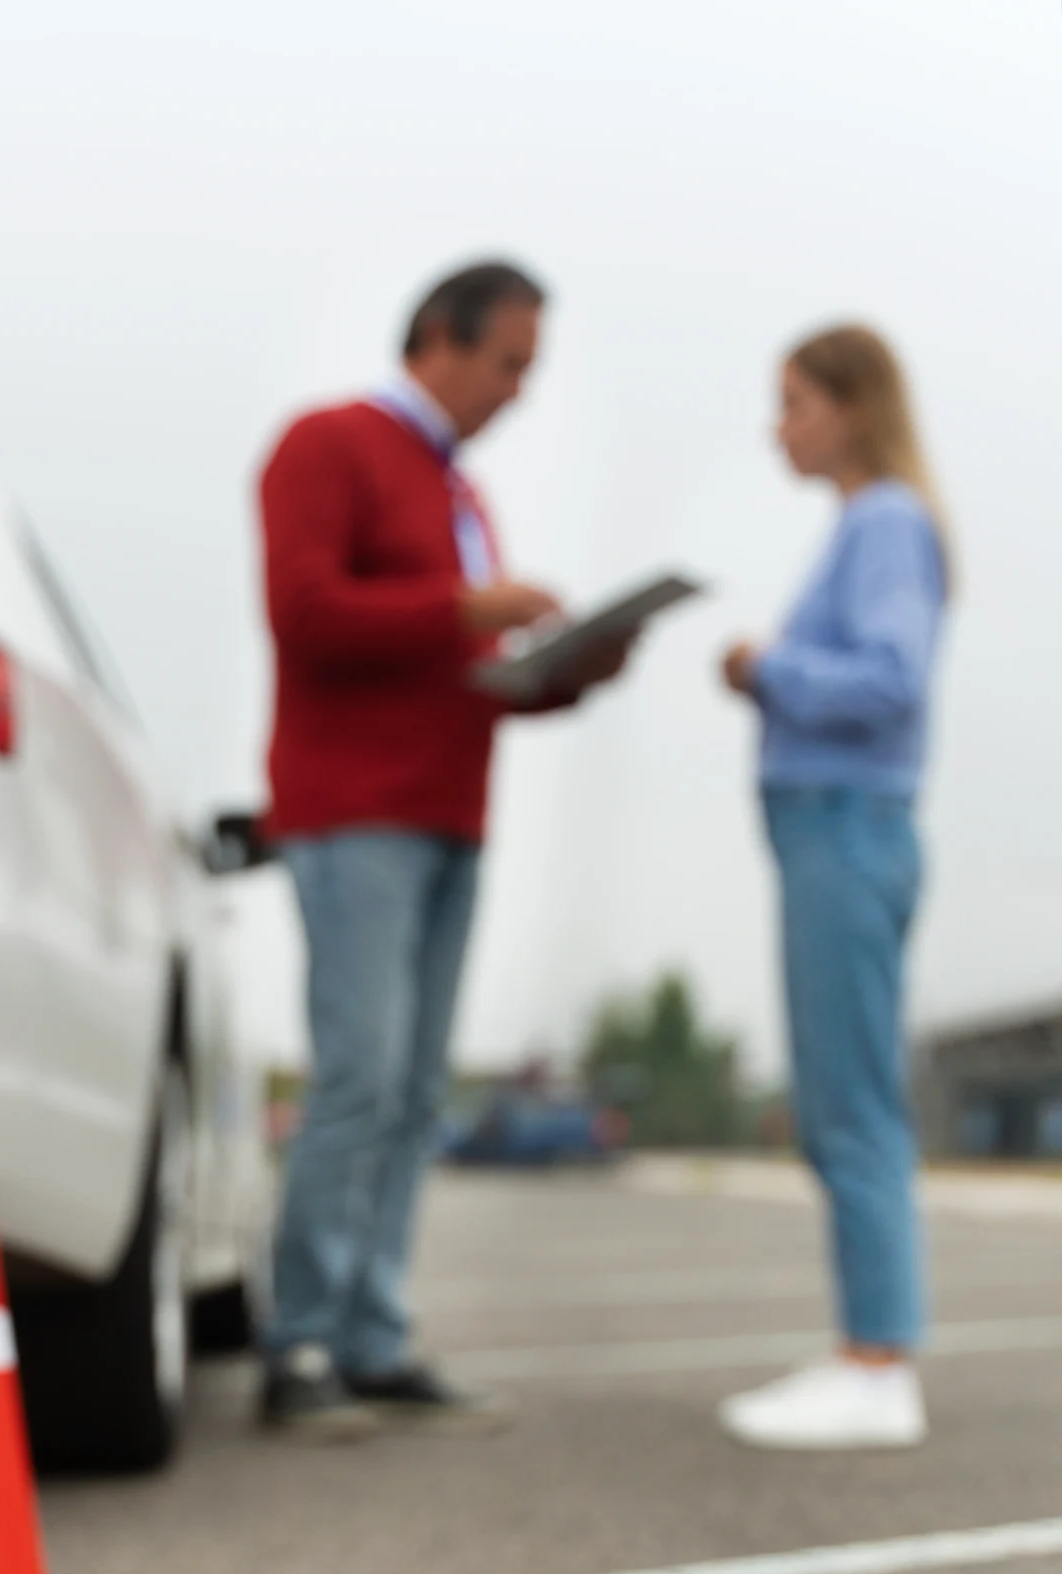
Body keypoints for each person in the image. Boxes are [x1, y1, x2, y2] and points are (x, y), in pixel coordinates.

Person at [256, 259, 630, 1436]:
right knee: (358, 1078)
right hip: (355, 813)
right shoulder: (327, 444)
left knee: (418, 1091)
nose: (519, 391)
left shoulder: (461, 493)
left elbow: (459, 670)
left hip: (451, 813)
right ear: (439, 340)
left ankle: (372, 1334)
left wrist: (569, 671)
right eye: (509, 363)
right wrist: (465, 608)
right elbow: (305, 612)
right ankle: (300, 1341)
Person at [718, 325, 949, 1451]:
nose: (780, 427)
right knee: (837, 1100)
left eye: (795, 402)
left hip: (847, 829)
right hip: (830, 832)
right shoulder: (866, 526)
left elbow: (892, 680)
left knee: (851, 1105)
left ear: (854, 408)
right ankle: (866, 1343)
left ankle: (877, 1366)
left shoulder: (886, 522)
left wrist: (769, 669)